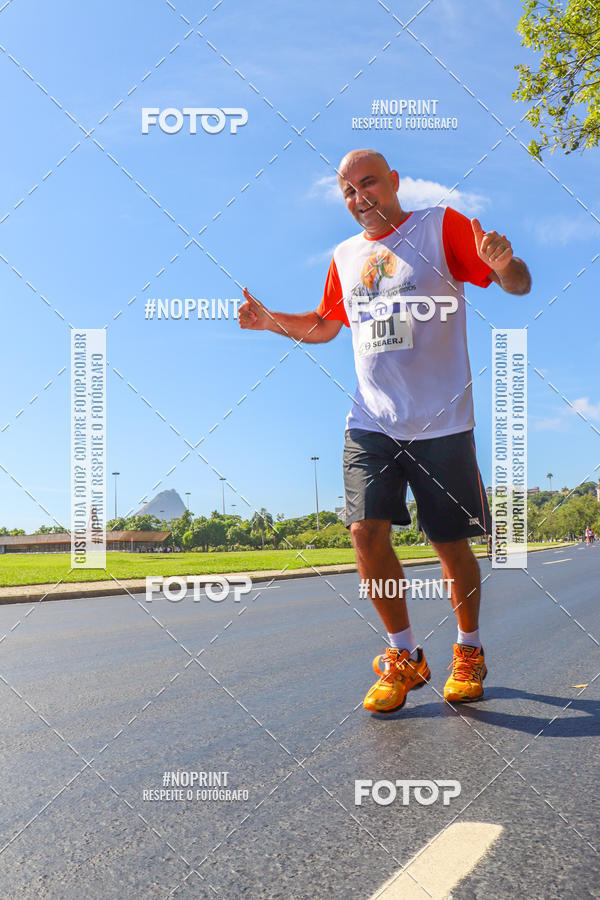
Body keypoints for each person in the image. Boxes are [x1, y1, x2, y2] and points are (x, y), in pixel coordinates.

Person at [238, 149, 531, 715]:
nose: (359, 198)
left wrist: (502, 264)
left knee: (450, 545)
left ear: (394, 182)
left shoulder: (441, 227)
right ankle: (404, 655)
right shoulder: (346, 256)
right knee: (364, 532)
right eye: (348, 191)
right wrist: (271, 320)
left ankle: (468, 649)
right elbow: (326, 326)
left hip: (443, 421)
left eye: (368, 183)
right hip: (371, 420)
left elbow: (516, 285)